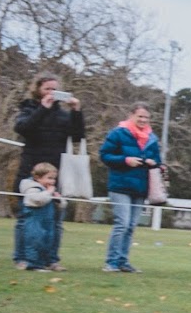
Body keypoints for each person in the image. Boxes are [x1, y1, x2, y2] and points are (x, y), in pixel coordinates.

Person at [12, 73, 83, 271]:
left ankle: (51, 259)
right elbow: (23, 128)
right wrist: (43, 108)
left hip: (57, 171)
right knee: (27, 219)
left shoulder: (63, 114)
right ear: (38, 90)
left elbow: (77, 136)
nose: (52, 93)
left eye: (55, 89)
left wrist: (76, 112)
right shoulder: (28, 108)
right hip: (31, 170)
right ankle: (22, 257)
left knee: (55, 220)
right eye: (47, 89)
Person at [98, 102, 163, 273]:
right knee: (122, 223)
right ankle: (111, 261)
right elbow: (105, 155)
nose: (143, 120)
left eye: (146, 117)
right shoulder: (118, 133)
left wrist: (153, 163)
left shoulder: (152, 138)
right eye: (140, 116)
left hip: (140, 187)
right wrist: (125, 160)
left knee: (132, 225)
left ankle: (123, 260)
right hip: (120, 185)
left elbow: (158, 160)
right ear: (131, 115)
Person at [17, 163, 62, 271]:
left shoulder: (48, 190)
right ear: (37, 177)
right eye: (49, 178)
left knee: (47, 242)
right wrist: (49, 192)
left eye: (54, 179)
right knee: (35, 242)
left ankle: (43, 263)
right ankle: (33, 264)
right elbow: (38, 200)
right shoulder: (32, 188)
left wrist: (58, 199)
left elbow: (62, 206)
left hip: (47, 222)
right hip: (34, 222)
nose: (52, 181)